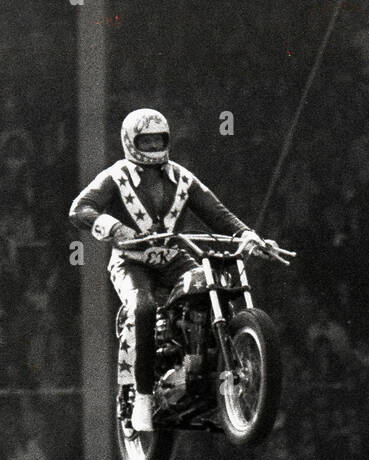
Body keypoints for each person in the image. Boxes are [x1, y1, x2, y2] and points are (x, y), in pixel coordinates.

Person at [69, 108, 268, 432]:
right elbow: (80, 209)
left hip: (176, 258)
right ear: (131, 142)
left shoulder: (183, 178)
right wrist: (117, 228)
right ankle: (144, 398)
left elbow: (217, 213)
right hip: (131, 260)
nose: (152, 146)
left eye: (157, 139)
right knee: (143, 307)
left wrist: (247, 234)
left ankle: (203, 365)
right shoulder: (115, 176)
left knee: (212, 286)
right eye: (145, 141)